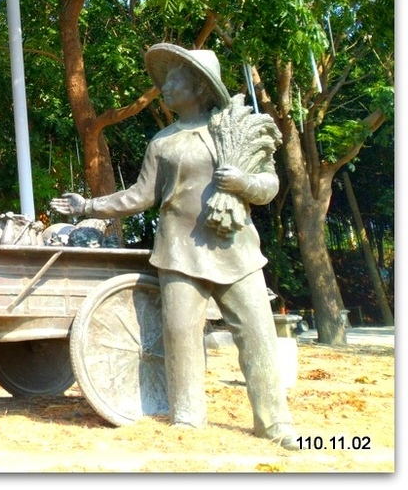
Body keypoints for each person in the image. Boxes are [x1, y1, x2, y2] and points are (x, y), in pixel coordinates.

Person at [50, 43, 300, 450]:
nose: (164, 87)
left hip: (236, 250)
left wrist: (243, 184)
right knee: (180, 336)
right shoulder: (162, 143)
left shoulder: (233, 132)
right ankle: (187, 418)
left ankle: (276, 423)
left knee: (258, 336)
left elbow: (268, 186)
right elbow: (138, 196)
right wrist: (87, 205)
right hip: (180, 253)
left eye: (174, 78)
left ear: (200, 87)